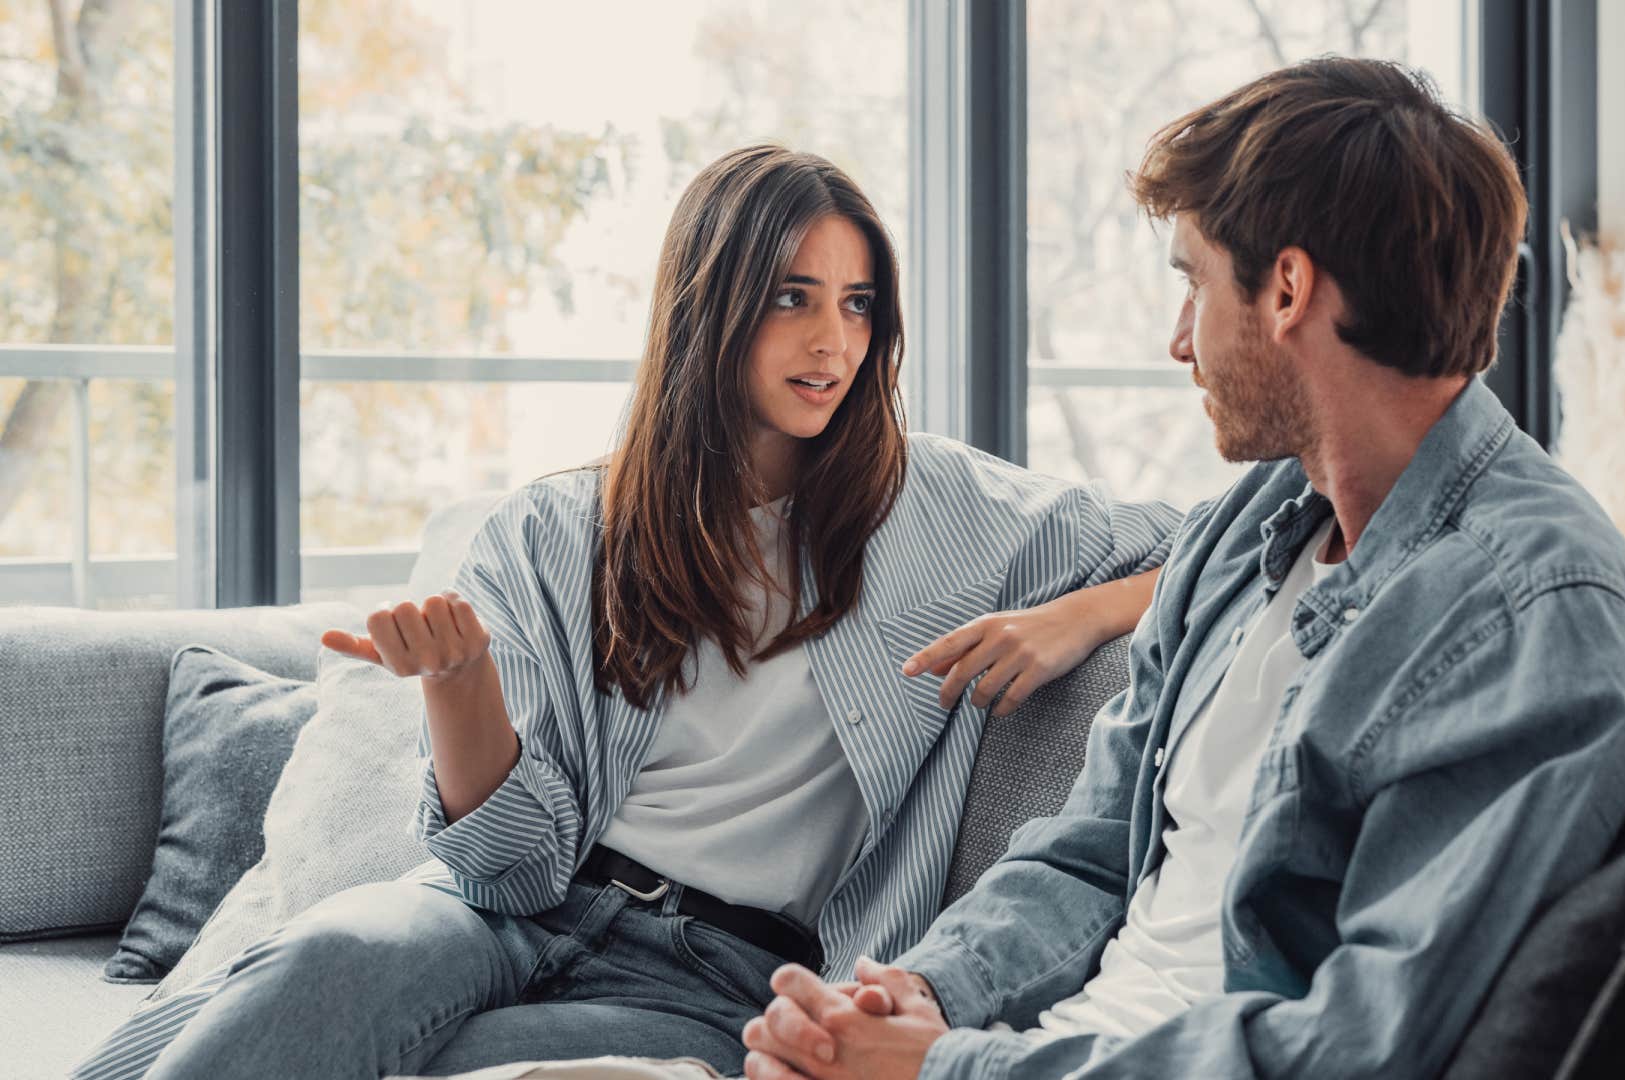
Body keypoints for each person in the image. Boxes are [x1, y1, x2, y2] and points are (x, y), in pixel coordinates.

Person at [73, 145, 1181, 1080]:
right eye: (792, 298)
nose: (833, 342)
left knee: (470, 1064)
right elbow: (507, 868)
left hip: (719, 973)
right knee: (328, 965)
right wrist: (463, 688)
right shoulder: (554, 532)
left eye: (857, 305)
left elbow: (1224, 538)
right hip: (507, 912)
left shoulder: (950, 511)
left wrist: (1083, 615)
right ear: (712, 301)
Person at [740, 58, 1625, 1080]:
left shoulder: (1534, 611)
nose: (1178, 340)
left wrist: (943, 1070)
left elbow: (1361, 1047)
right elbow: (1094, 845)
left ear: (1287, 289)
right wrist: (912, 999)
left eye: (1194, 282)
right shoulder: (1246, 531)